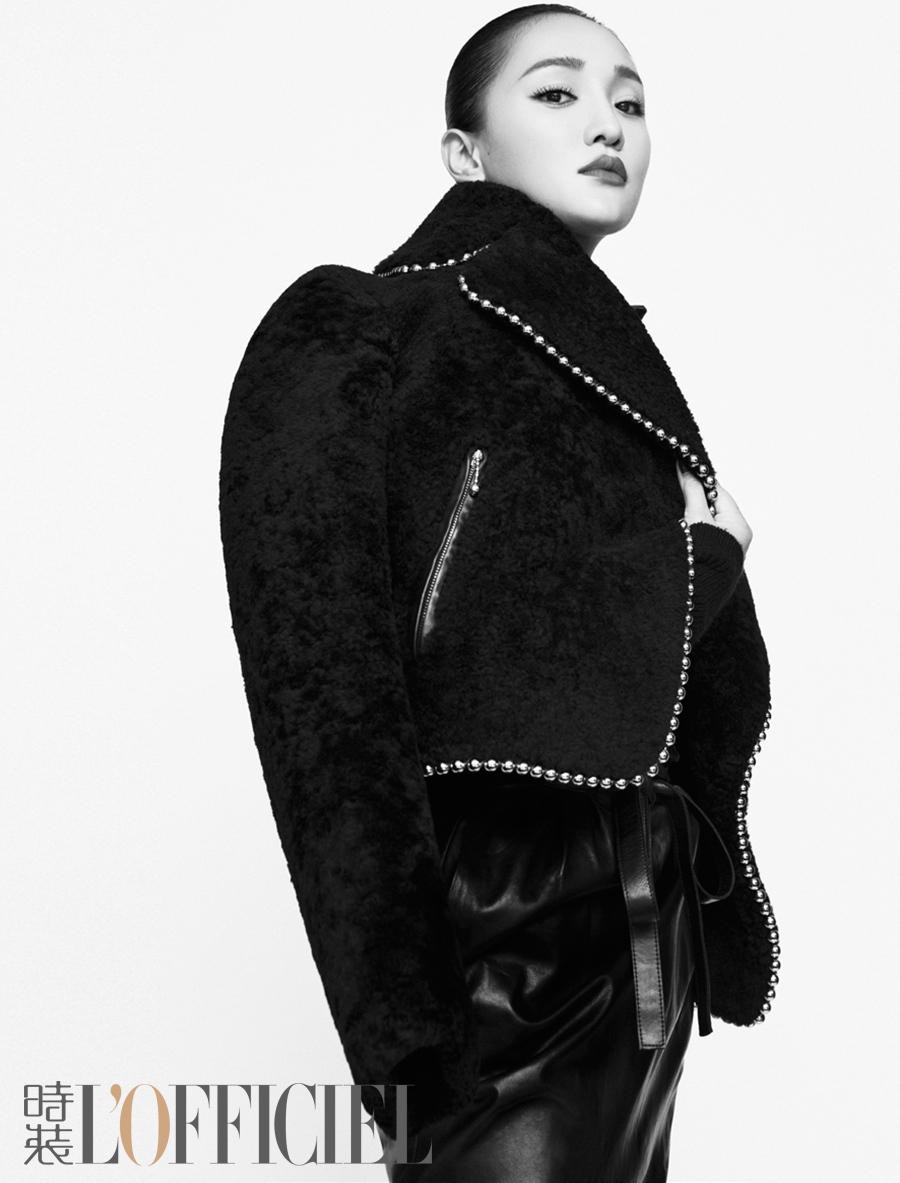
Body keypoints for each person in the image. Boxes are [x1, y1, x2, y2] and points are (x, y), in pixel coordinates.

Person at [218, 6, 781, 1180]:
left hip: (641, 926)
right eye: (558, 92)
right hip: (502, 921)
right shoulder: (362, 321)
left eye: (630, 102)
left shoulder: (595, 357)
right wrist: (401, 1026)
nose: (608, 124)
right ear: (463, 150)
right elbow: (322, 688)